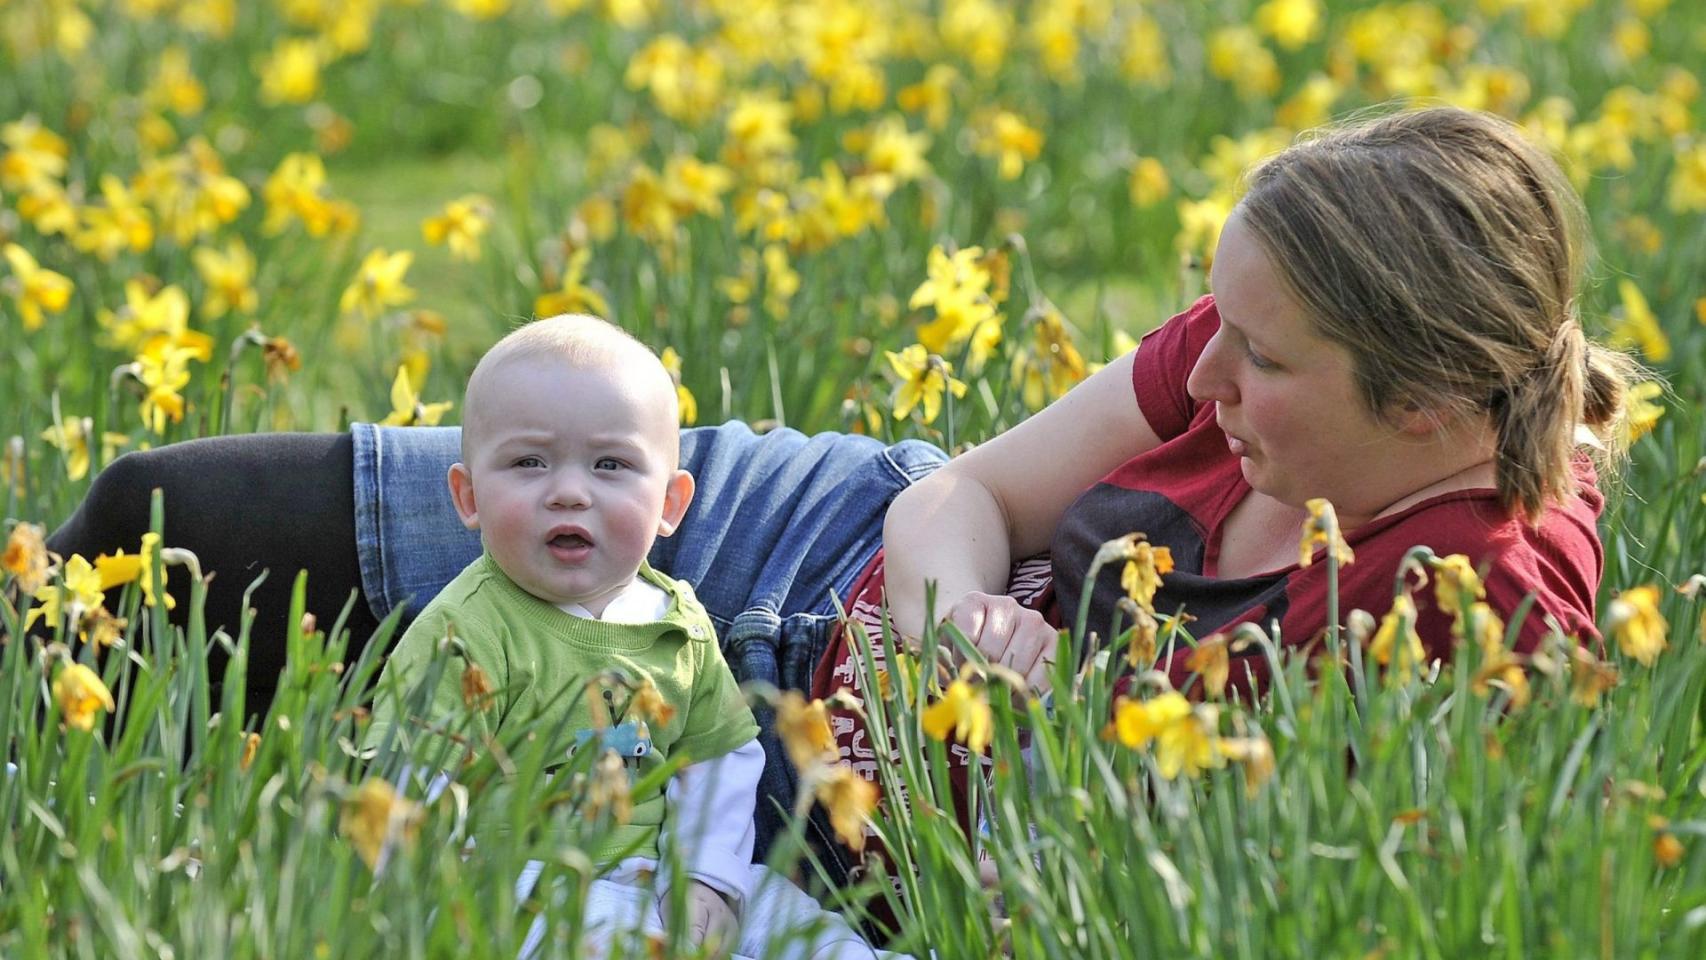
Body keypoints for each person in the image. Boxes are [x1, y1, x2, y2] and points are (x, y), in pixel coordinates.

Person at [46, 105, 1638, 868]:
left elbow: (1205, 859)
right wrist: (947, 624)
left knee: (368, 791)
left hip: (803, 780)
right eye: (1208, 324)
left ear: (1428, 400)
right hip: (796, 529)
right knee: (151, 525)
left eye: (1262, 364)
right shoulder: (1264, 333)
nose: (1206, 383)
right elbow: (961, 494)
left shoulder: (1475, 611)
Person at [364, 314, 896, 959]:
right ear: (468, 496)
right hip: (522, 878)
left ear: (670, 505)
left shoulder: (678, 623)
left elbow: (716, 758)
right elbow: (408, 778)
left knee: (801, 925)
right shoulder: (466, 630)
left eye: (611, 464)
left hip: (660, 876)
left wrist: (706, 880)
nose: (568, 492)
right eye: (529, 462)